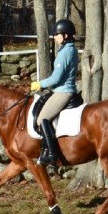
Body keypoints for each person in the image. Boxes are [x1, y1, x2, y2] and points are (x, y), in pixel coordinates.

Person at [30, 18, 79, 166]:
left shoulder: (65, 53)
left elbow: (56, 78)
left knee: (41, 119)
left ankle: (51, 154)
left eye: (58, 35)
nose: (55, 37)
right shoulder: (69, 49)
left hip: (63, 92)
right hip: (62, 90)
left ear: (65, 36)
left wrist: (40, 84)